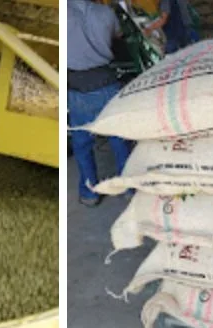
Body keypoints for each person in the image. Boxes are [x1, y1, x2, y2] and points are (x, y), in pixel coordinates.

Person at [67, 0, 134, 205]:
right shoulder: (106, 12)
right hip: (107, 83)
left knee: (82, 143)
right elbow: (119, 36)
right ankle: (129, 188)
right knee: (119, 138)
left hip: (78, 87)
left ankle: (90, 192)